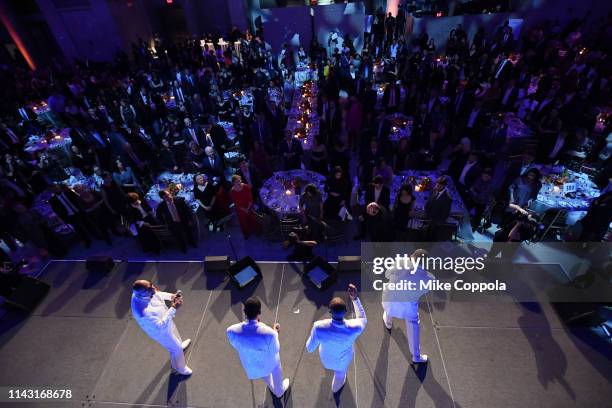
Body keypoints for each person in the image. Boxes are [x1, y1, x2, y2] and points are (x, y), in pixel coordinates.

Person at [306, 284, 366, 393]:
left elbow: (309, 348)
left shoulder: (318, 327)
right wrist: (355, 299)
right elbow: (362, 318)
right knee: (340, 374)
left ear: (330, 312)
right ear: (346, 311)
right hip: (342, 362)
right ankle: (335, 389)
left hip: (326, 360)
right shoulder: (355, 328)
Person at [226, 297, 290, 398]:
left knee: (266, 375)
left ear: (245, 312)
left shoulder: (231, 331)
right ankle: (279, 390)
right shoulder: (270, 334)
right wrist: (275, 333)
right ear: (259, 312)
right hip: (269, 364)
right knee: (276, 362)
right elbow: (275, 350)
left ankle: (271, 386)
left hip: (252, 366)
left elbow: (236, 345)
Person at [131, 280, 192, 375]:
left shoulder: (146, 292)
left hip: (165, 319)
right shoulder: (143, 312)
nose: (153, 289)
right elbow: (159, 326)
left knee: (176, 338)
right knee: (175, 349)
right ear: (141, 293)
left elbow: (158, 294)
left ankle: (179, 347)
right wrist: (173, 308)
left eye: (151, 285)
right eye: (149, 289)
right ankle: (180, 368)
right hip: (160, 332)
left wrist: (172, 296)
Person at [382, 248, 432, 363]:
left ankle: (388, 322)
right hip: (408, 307)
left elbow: (387, 274)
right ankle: (416, 356)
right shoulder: (427, 277)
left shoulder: (400, 262)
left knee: (389, 306)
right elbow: (423, 291)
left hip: (388, 300)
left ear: (412, 256)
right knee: (413, 323)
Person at [229, 175, 260, 239]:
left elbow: (250, 198)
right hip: (240, 209)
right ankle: (246, 233)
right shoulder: (232, 191)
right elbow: (236, 203)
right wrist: (244, 209)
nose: (240, 182)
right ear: (234, 183)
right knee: (243, 221)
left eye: (240, 180)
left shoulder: (245, 186)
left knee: (253, 218)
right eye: (238, 181)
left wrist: (248, 208)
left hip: (249, 206)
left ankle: (257, 230)